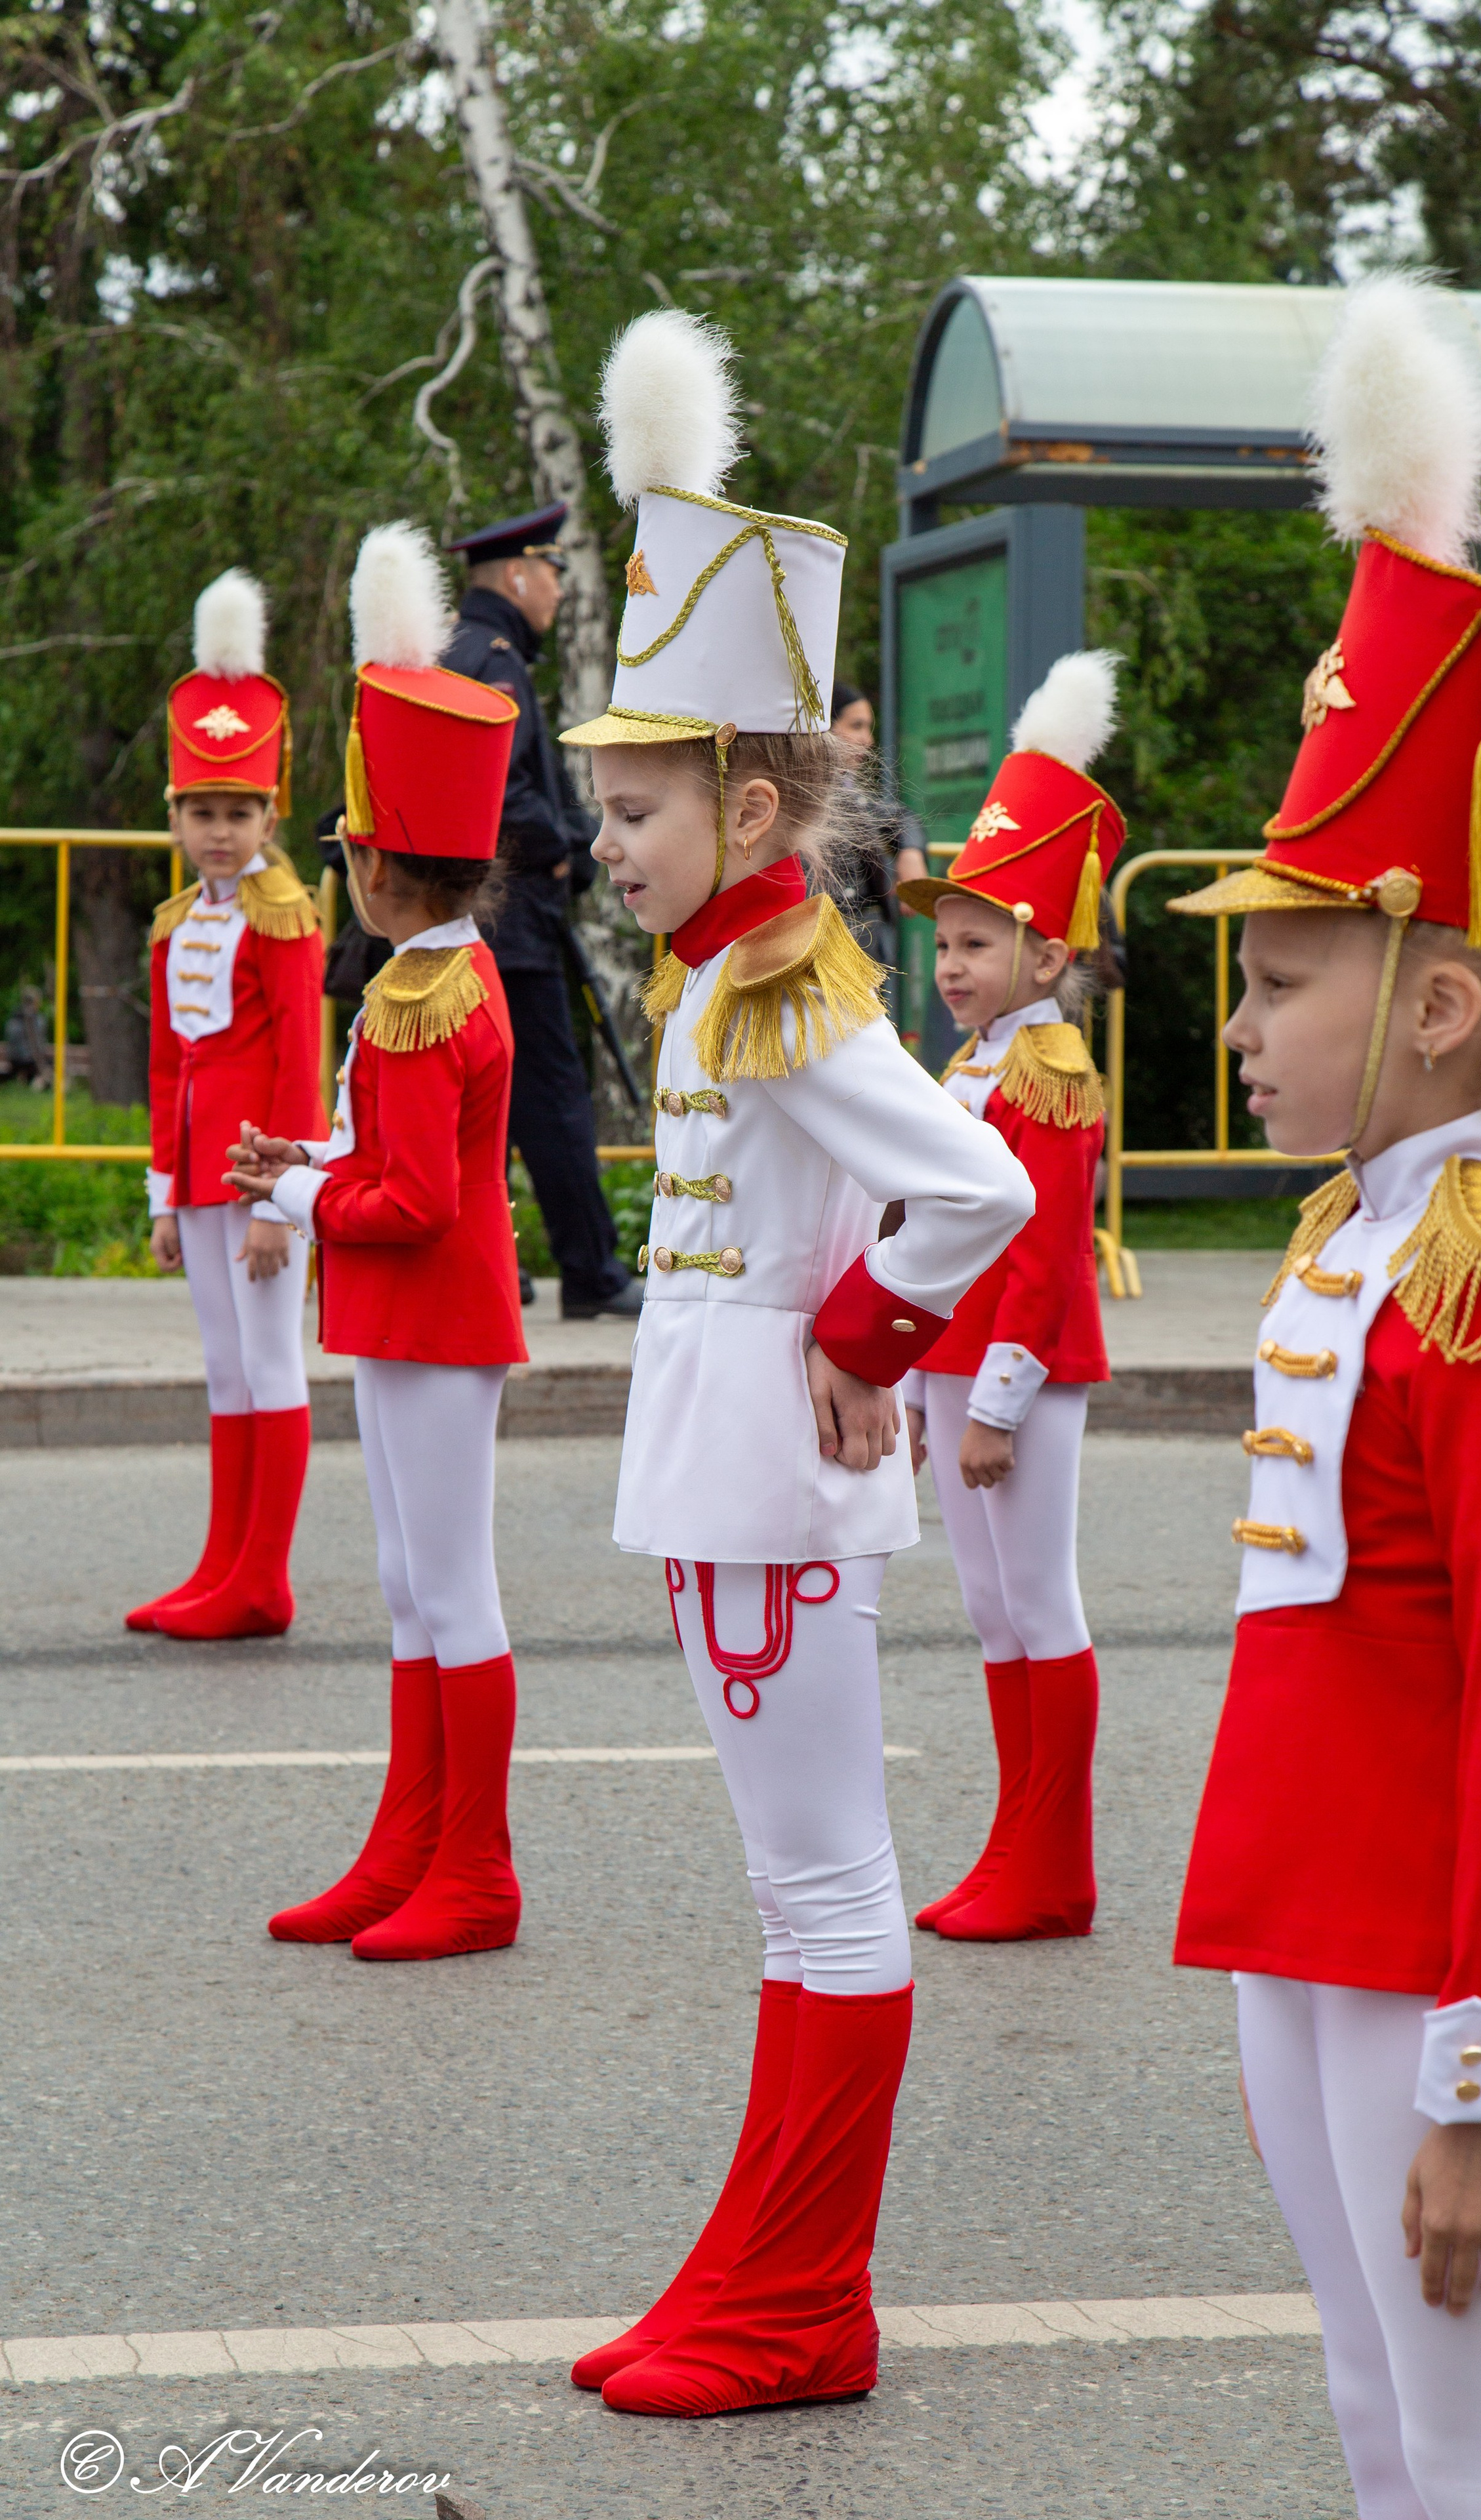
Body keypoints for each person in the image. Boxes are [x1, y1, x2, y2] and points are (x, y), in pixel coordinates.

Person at [1169, 276, 1481, 2519]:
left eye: (1280, 979)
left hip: (1434, 1978)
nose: (1240, 1026)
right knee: (1381, 2440)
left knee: (1478, 2463)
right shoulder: (1358, 1230)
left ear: (1444, 1002)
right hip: (1298, 1917)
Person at [556, 308, 1032, 2419]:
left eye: (642, 802)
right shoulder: (730, 977)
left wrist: (864, 1335)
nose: (608, 839)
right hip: (727, 1475)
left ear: (748, 795)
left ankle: (796, 2298)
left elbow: (978, 1183)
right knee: (795, 1883)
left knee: (826, 1882)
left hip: (773, 1478)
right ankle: (756, 2270)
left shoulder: (790, 993)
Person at [228, 522, 528, 1966]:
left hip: (428, 1316)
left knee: (447, 1589)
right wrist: (317, 1157)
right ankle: (414, 1844)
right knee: (417, 1587)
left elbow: (412, 1202)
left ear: (372, 867)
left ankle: (471, 1866)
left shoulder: (420, 995)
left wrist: (287, 1196)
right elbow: (409, 1162)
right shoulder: (443, 975)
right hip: (420, 1320)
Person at [895, 650, 1120, 1943]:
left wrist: (990, 1404)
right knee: (989, 1610)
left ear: (1047, 955)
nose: (952, 963)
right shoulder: (972, 1062)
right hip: (951, 1364)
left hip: (1013, 1374)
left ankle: (1053, 1861)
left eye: (977, 942)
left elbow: (1038, 1263)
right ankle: (1014, 1844)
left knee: (1038, 1601)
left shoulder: (1048, 1069)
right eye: (944, 941)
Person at [129, 569, 323, 1642]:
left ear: (268, 812)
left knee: (269, 1358)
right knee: (222, 1363)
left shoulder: (287, 918)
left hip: (257, 1181)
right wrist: (166, 1192)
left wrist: (276, 1199)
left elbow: (299, 1066)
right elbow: (169, 1067)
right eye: (202, 812)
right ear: (176, 814)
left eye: (239, 812)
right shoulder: (172, 923)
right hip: (200, 1170)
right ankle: (220, 1565)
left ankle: (264, 1579)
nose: (219, 832)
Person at [440, 503, 637, 1321]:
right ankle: (590, 1270)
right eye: (552, 572)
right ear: (518, 574)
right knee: (551, 1097)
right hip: (513, 915)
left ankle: (492, 1260)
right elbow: (498, 783)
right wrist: (564, 843)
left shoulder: (457, 649)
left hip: (475, 913)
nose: (557, 590)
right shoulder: (496, 660)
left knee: (479, 1099)